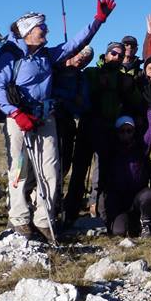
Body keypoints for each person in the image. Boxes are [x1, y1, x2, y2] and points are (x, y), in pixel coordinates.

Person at [0, 0, 114, 240]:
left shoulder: (47, 55)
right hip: (18, 119)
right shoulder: (10, 55)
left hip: (44, 118)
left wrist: (98, 21)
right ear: (28, 31)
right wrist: (15, 112)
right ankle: (19, 219)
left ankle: (43, 219)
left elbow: (76, 43)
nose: (46, 31)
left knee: (50, 170)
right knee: (19, 169)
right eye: (42, 28)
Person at [69, 40, 142, 222]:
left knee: (102, 175)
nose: (116, 57)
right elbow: (81, 95)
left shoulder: (123, 78)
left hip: (109, 131)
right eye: (113, 53)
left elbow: (136, 101)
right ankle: (70, 213)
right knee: (79, 172)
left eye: (119, 54)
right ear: (106, 54)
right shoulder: (91, 72)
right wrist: (98, 86)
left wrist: (129, 88)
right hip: (88, 126)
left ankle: (102, 214)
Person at [99, 116, 151, 237]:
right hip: (119, 201)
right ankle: (132, 223)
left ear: (134, 132)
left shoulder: (141, 147)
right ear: (117, 132)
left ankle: (145, 224)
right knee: (118, 232)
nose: (126, 134)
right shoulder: (109, 150)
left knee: (149, 195)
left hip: (137, 196)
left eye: (129, 130)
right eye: (122, 130)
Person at [53, 46, 93, 199]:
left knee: (64, 163)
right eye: (80, 55)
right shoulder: (55, 69)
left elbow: (85, 104)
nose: (81, 59)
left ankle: (54, 197)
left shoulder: (80, 78)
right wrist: (70, 95)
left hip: (67, 123)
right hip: (50, 120)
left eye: (86, 59)